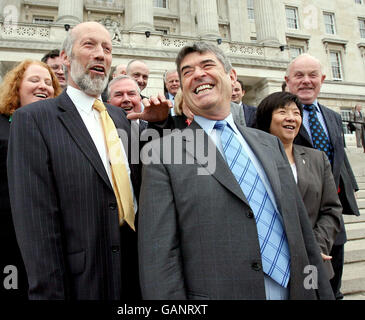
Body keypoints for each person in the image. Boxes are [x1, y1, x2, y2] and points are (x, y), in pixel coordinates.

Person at [138, 42, 334, 300]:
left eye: (207, 65)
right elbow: (159, 255)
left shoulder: (269, 143)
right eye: (187, 72)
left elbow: (301, 233)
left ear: (231, 77)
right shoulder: (162, 154)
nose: (197, 74)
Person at [7, 21, 170, 300]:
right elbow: (36, 222)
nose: (100, 54)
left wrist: (161, 125)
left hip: (134, 275)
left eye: (107, 48)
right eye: (89, 45)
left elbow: (147, 178)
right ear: (66, 59)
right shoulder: (33, 119)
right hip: (80, 280)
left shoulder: (120, 117)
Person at [0, 59, 61, 300]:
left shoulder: (58, 135)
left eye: (49, 83)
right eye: (34, 80)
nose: (43, 86)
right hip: (0, 255)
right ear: (16, 87)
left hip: (49, 256)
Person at [285, 53, 360, 299]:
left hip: (331, 215)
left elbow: (340, 160)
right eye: (299, 75)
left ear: (322, 79)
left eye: (312, 75)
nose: (306, 81)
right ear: (287, 80)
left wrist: (350, 192)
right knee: (308, 286)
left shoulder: (333, 117)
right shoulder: (277, 117)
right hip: (298, 214)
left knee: (332, 284)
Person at [255, 91, 342, 279]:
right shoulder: (253, 159)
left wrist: (315, 246)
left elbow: (331, 210)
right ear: (266, 118)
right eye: (283, 112)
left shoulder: (317, 159)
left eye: (296, 113)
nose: (291, 118)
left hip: (311, 264)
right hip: (267, 265)